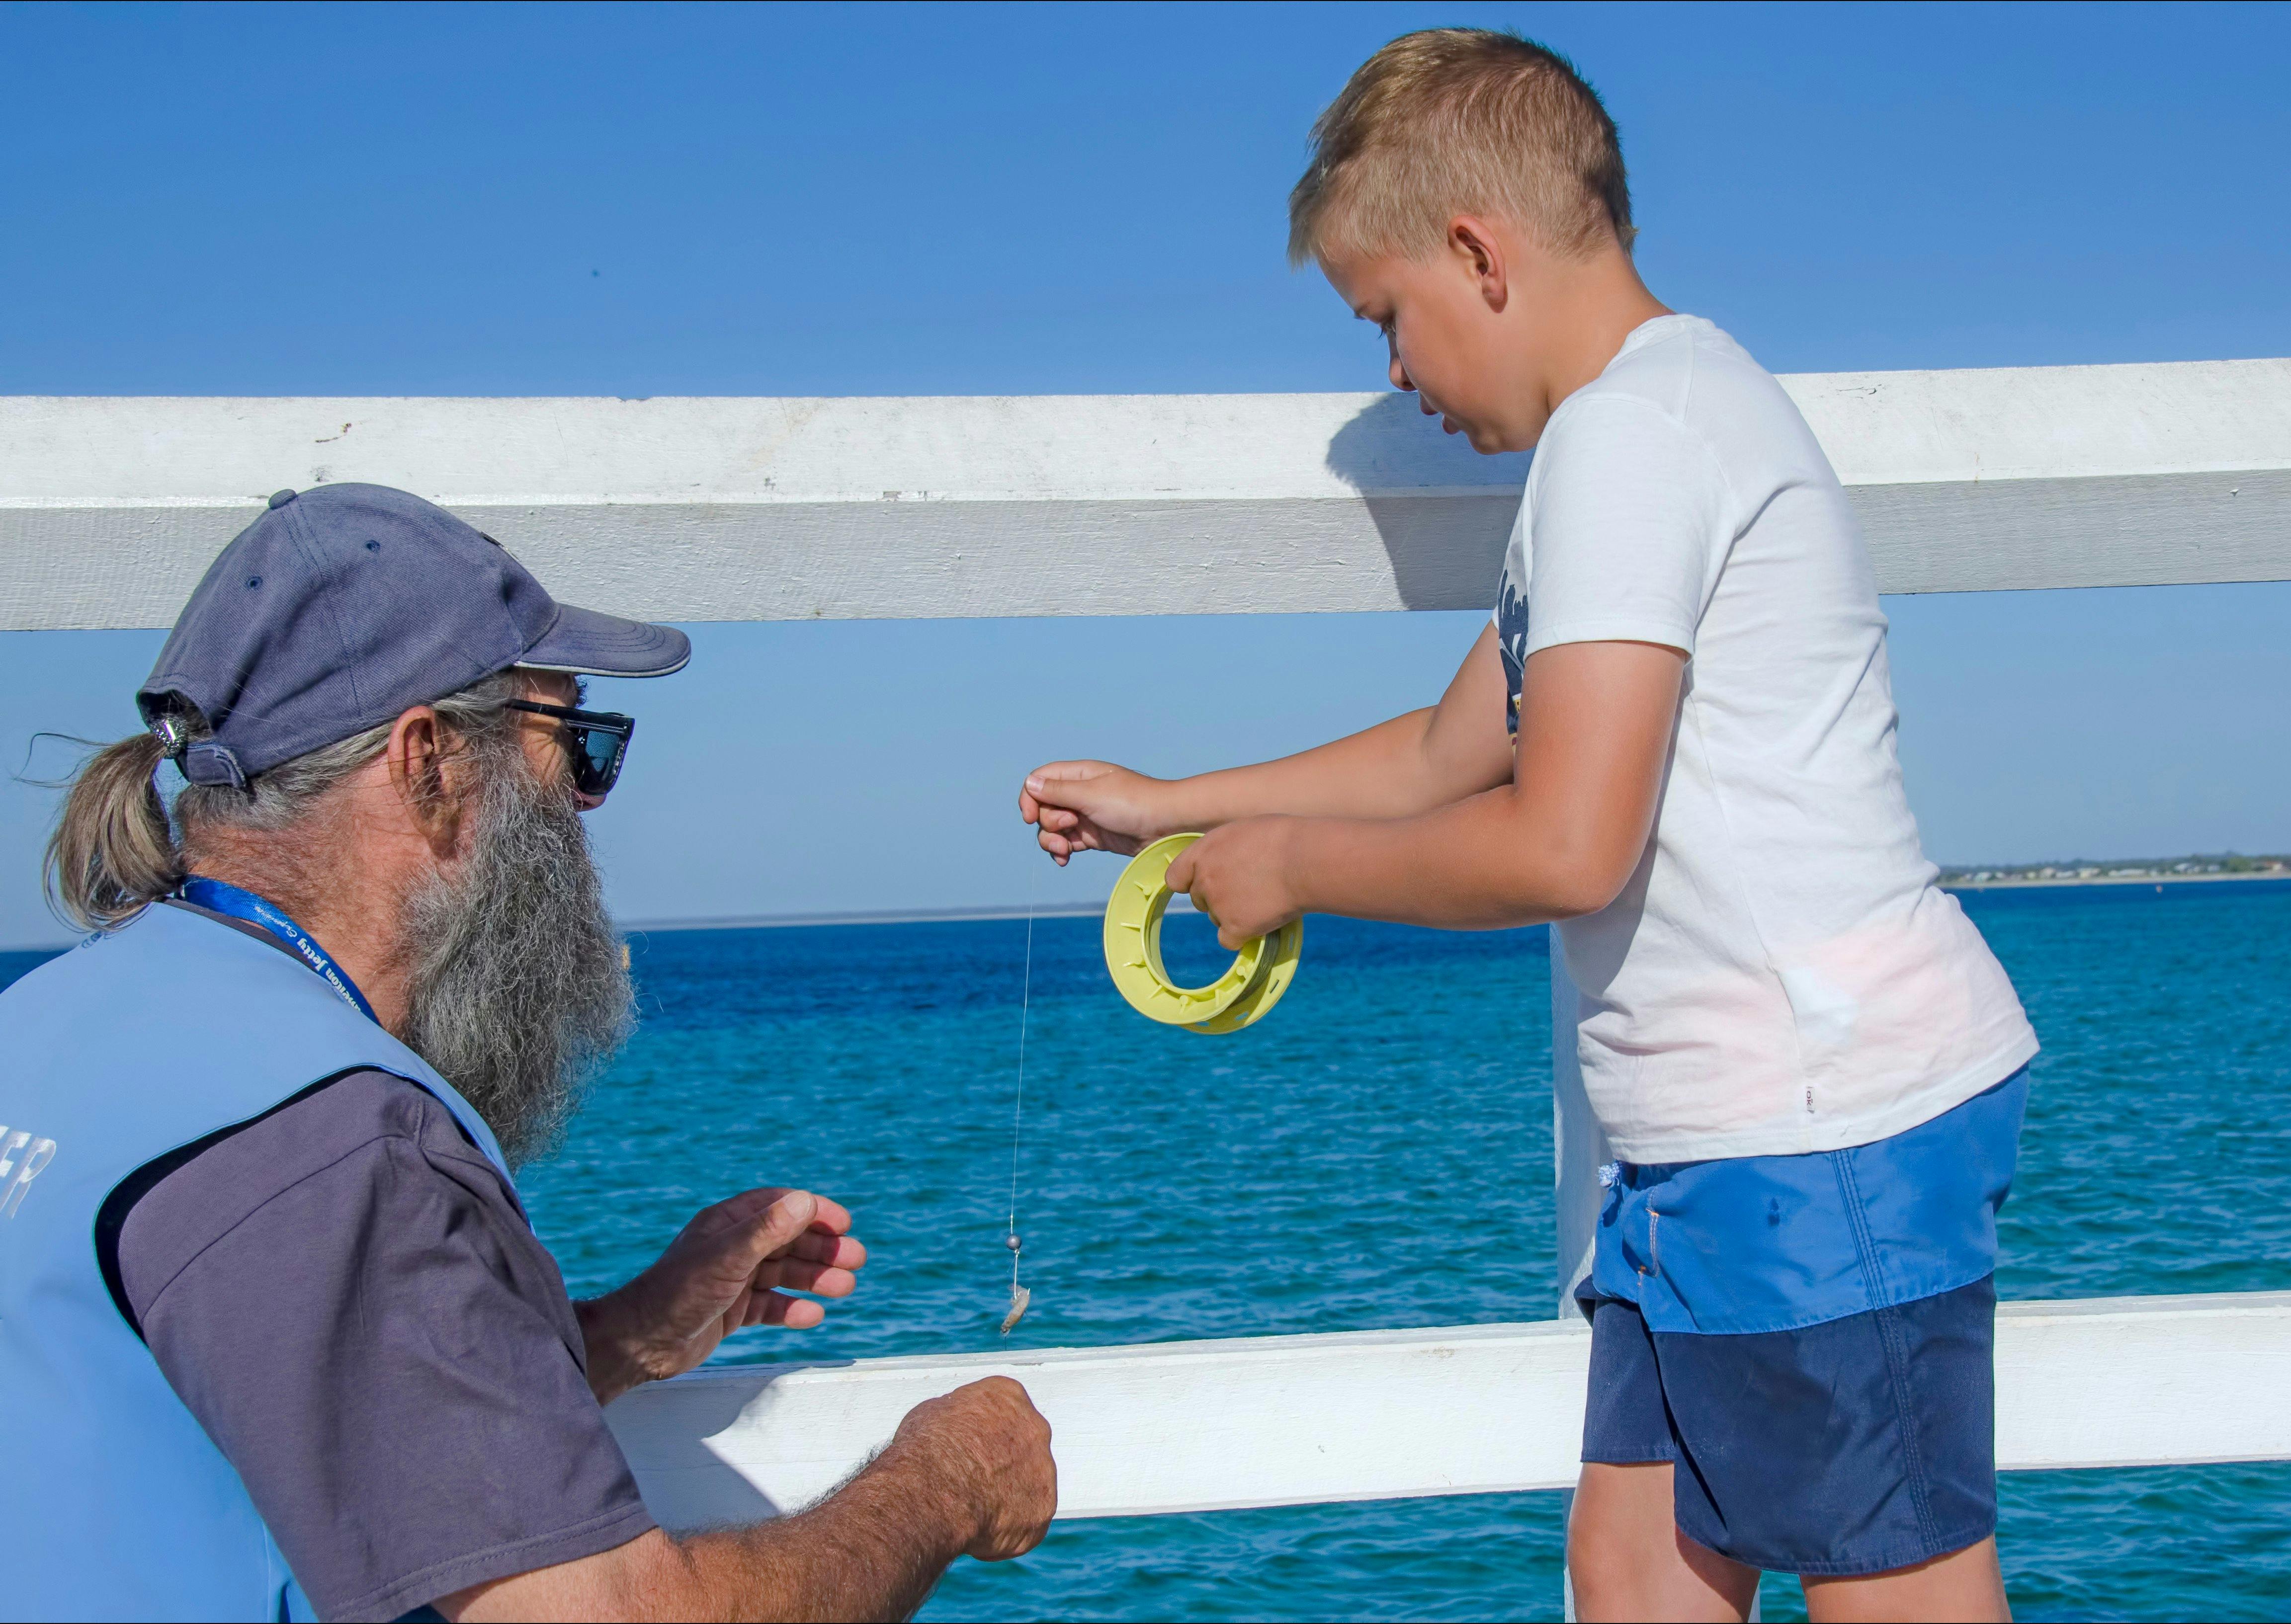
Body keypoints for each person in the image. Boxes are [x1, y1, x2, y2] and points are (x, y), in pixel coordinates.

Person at [1020, 30, 2034, 1624]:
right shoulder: (1638, 434)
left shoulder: (1634, 442)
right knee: (1630, 1571)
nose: (1399, 376)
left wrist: (1289, 874)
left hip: (1817, 1125)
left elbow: (1566, 842)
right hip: (1709, 1147)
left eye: (1388, 321)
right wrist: (1176, 804)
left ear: (1477, 255)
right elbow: (1447, 750)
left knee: (1892, 1588)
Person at [0, 483, 1054, 1623]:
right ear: (430, 763)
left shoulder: (55, 1025)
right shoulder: (336, 1144)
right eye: (579, 745)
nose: (585, 808)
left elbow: (279, 1397)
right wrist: (944, 1482)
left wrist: (634, 1333)